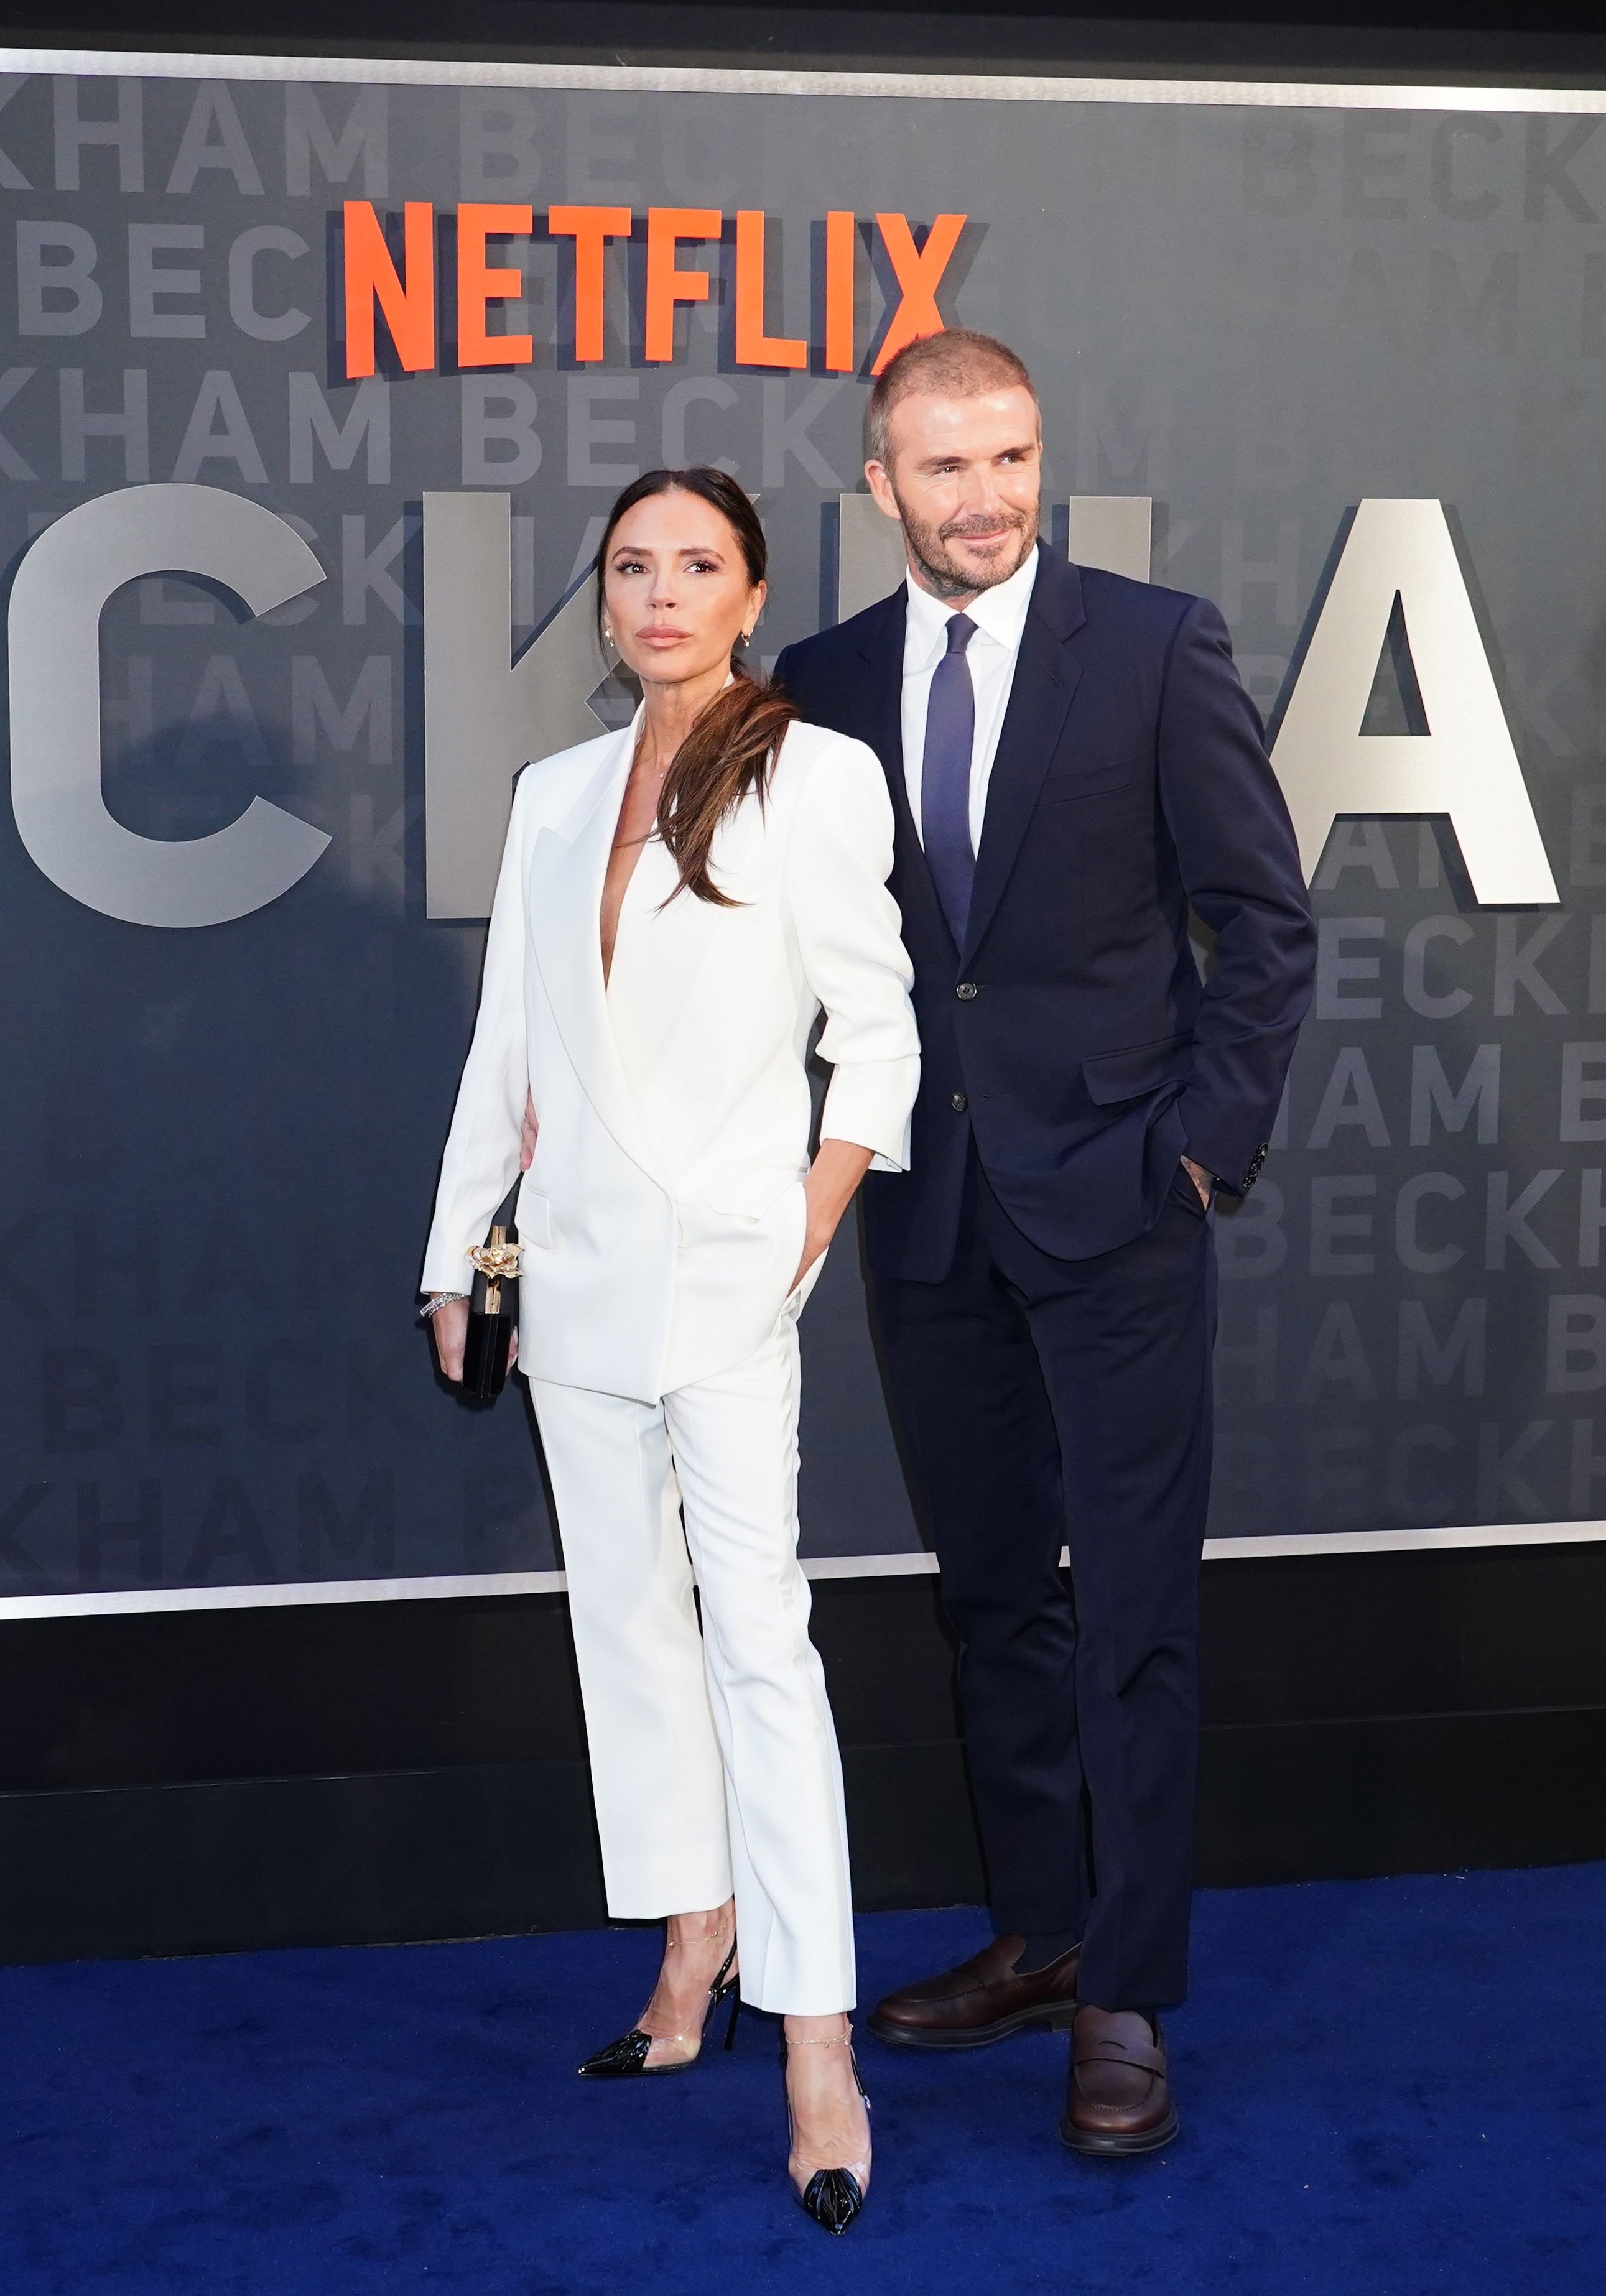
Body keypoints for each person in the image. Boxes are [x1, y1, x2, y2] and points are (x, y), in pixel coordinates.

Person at [773, 331, 1316, 2158]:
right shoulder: (823, 679)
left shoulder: (1156, 648)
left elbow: (1264, 921)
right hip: (922, 1210)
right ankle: (1039, 1926)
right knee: (992, 1589)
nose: (988, 496)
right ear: (882, 489)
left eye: (1010, 457)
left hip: (1118, 1205)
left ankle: (1127, 1991)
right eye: (945, 467)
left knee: (1135, 1610)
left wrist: (1200, 1156)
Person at [417, 466, 918, 2233]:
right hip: (569, 1279)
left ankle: (818, 2043)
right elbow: (512, 1045)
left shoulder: (815, 770)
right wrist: (455, 1252)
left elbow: (876, 1031)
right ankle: (690, 1936)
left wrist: (802, 1218)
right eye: (631, 566)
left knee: (759, 1639)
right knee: (625, 1624)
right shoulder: (555, 792)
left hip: (722, 1278)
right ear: (605, 596)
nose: (658, 592)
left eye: (693, 563)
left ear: (749, 585)